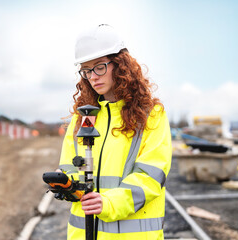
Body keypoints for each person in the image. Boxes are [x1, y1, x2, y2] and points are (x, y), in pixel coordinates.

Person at [58, 24, 172, 240]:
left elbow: (150, 177)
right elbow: (69, 166)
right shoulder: (82, 117)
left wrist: (109, 203)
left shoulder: (151, 115)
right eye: (86, 70)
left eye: (99, 67)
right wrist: (67, 185)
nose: (92, 76)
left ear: (120, 65)